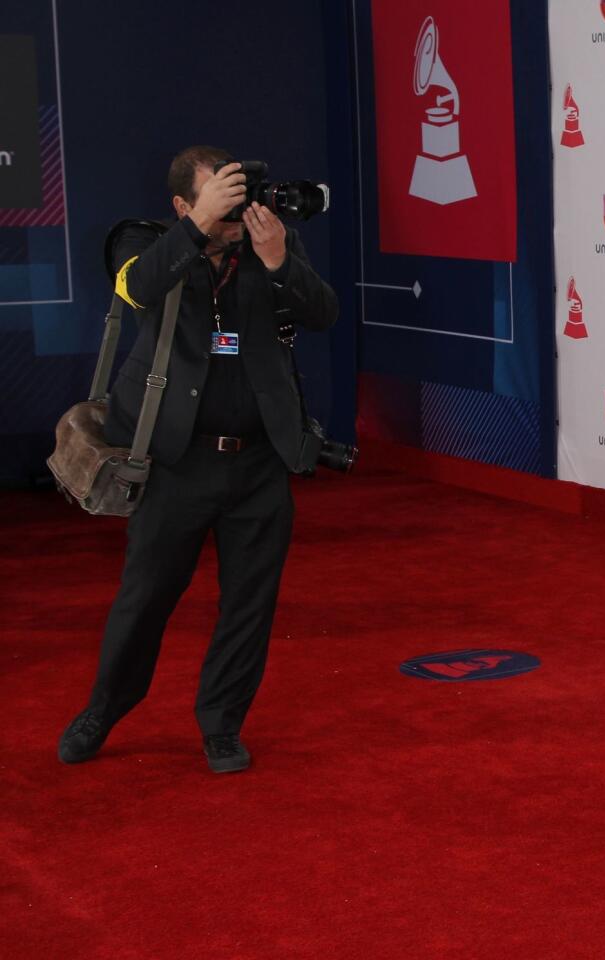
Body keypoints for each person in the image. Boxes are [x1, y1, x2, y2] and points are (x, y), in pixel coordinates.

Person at [58, 146, 338, 773]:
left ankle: (221, 725)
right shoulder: (149, 242)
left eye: (235, 197)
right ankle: (103, 709)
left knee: (249, 604)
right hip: (174, 464)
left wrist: (277, 262)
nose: (233, 211)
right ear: (183, 203)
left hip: (259, 463)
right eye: (217, 198)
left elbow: (322, 312)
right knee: (145, 598)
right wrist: (197, 228)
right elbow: (137, 286)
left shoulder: (271, 244)